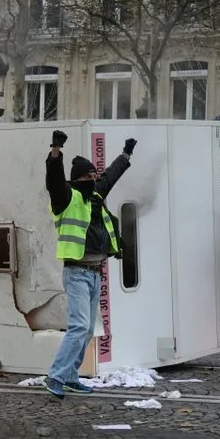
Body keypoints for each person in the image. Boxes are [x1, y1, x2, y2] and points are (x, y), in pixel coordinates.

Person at [42, 130, 136, 398]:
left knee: (85, 330)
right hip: (77, 272)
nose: (95, 179)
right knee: (79, 327)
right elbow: (54, 180)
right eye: (89, 176)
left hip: (95, 273)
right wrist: (56, 151)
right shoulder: (66, 197)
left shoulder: (94, 195)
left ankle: (70, 377)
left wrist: (126, 154)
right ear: (77, 180)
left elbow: (111, 174)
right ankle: (56, 376)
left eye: (95, 176)